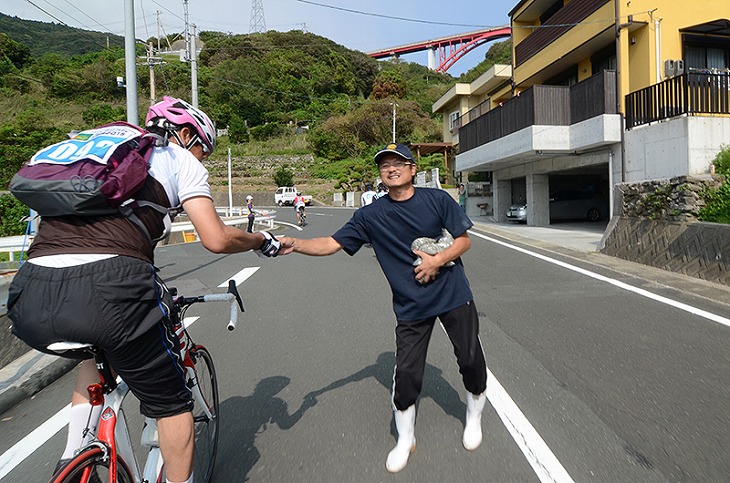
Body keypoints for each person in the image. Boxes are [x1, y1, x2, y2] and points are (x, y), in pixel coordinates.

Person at [7, 97, 281, 483]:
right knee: (172, 406)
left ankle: (71, 460)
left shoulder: (84, 149)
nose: (203, 159)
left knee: (94, 359)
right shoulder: (176, 157)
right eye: (203, 148)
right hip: (111, 292)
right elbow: (216, 239)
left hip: (30, 293)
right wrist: (259, 241)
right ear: (185, 133)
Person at [278, 143, 487, 473]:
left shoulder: (437, 200)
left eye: (398, 163)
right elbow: (332, 244)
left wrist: (437, 260)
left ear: (412, 168)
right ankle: (405, 439)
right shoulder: (370, 216)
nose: (391, 168)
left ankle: (473, 416)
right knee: (406, 374)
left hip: (452, 294)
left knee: (470, 358)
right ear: (380, 173)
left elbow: (463, 241)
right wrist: (296, 243)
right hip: (411, 304)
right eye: (384, 164)